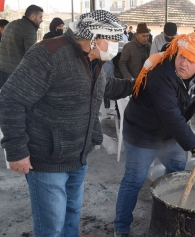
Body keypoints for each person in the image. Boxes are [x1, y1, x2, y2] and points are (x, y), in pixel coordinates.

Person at [0, 10, 134, 236]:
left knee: (72, 213)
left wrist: (142, 81)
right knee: (51, 225)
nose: (115, 45)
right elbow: (11, 99)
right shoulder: (48, 54)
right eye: (111, 38)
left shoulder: (93, 60)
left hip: (78, 156)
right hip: (46, 158)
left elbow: (108, 87)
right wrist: (16, 150)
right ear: (93, 37)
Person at [113, 32, 195, 236]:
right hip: (142, 133)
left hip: (168, 134)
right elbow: (172, 117)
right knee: (134, 180)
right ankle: (120, 227)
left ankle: (167, 211)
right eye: (182, 56)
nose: (183, 63)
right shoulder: (161, 75)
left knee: (176, 168)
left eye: (191, 61)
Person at [0, 5, 43, 89]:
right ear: (33, 16)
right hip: (16, 74)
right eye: (40, 17)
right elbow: (31, 54)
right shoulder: (29, 29)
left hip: (2, 70)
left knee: (4, 99)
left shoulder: (11, 24)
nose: (41, 20)